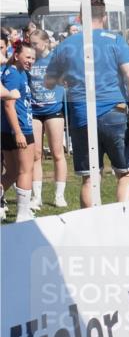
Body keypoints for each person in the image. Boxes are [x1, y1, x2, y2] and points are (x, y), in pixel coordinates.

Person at [46, 0, 129, 208]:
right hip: (114, 111)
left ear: (80, 18)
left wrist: (68, 79)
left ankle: (92, 225)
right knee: (126, 172)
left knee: (90, 177)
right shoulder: (115, 41)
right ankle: (121, 219)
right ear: (105, 17)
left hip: (81, 114)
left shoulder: (66, 45)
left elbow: (49, 82)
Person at [28, 31, 68, 209]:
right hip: (34, 111)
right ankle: (37, 197)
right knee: (36, 155)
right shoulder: (29, 59)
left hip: (54, 110)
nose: (32, 46)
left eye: (35, 43)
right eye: (30, 43)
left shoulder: (56, 59)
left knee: (57, 153)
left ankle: (59, 195)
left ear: (45, 42)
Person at [2, 42, 37, 221]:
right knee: (25, 170)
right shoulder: (14, 74)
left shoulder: (19, 73)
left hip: (13, 129)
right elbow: (9, 104)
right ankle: (22, 214)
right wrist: (18, 132)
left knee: (13, 172)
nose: (31, 61)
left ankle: (22, 211)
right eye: (27, 57)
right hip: (19, 129)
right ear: (17, 56)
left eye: (33, 58)